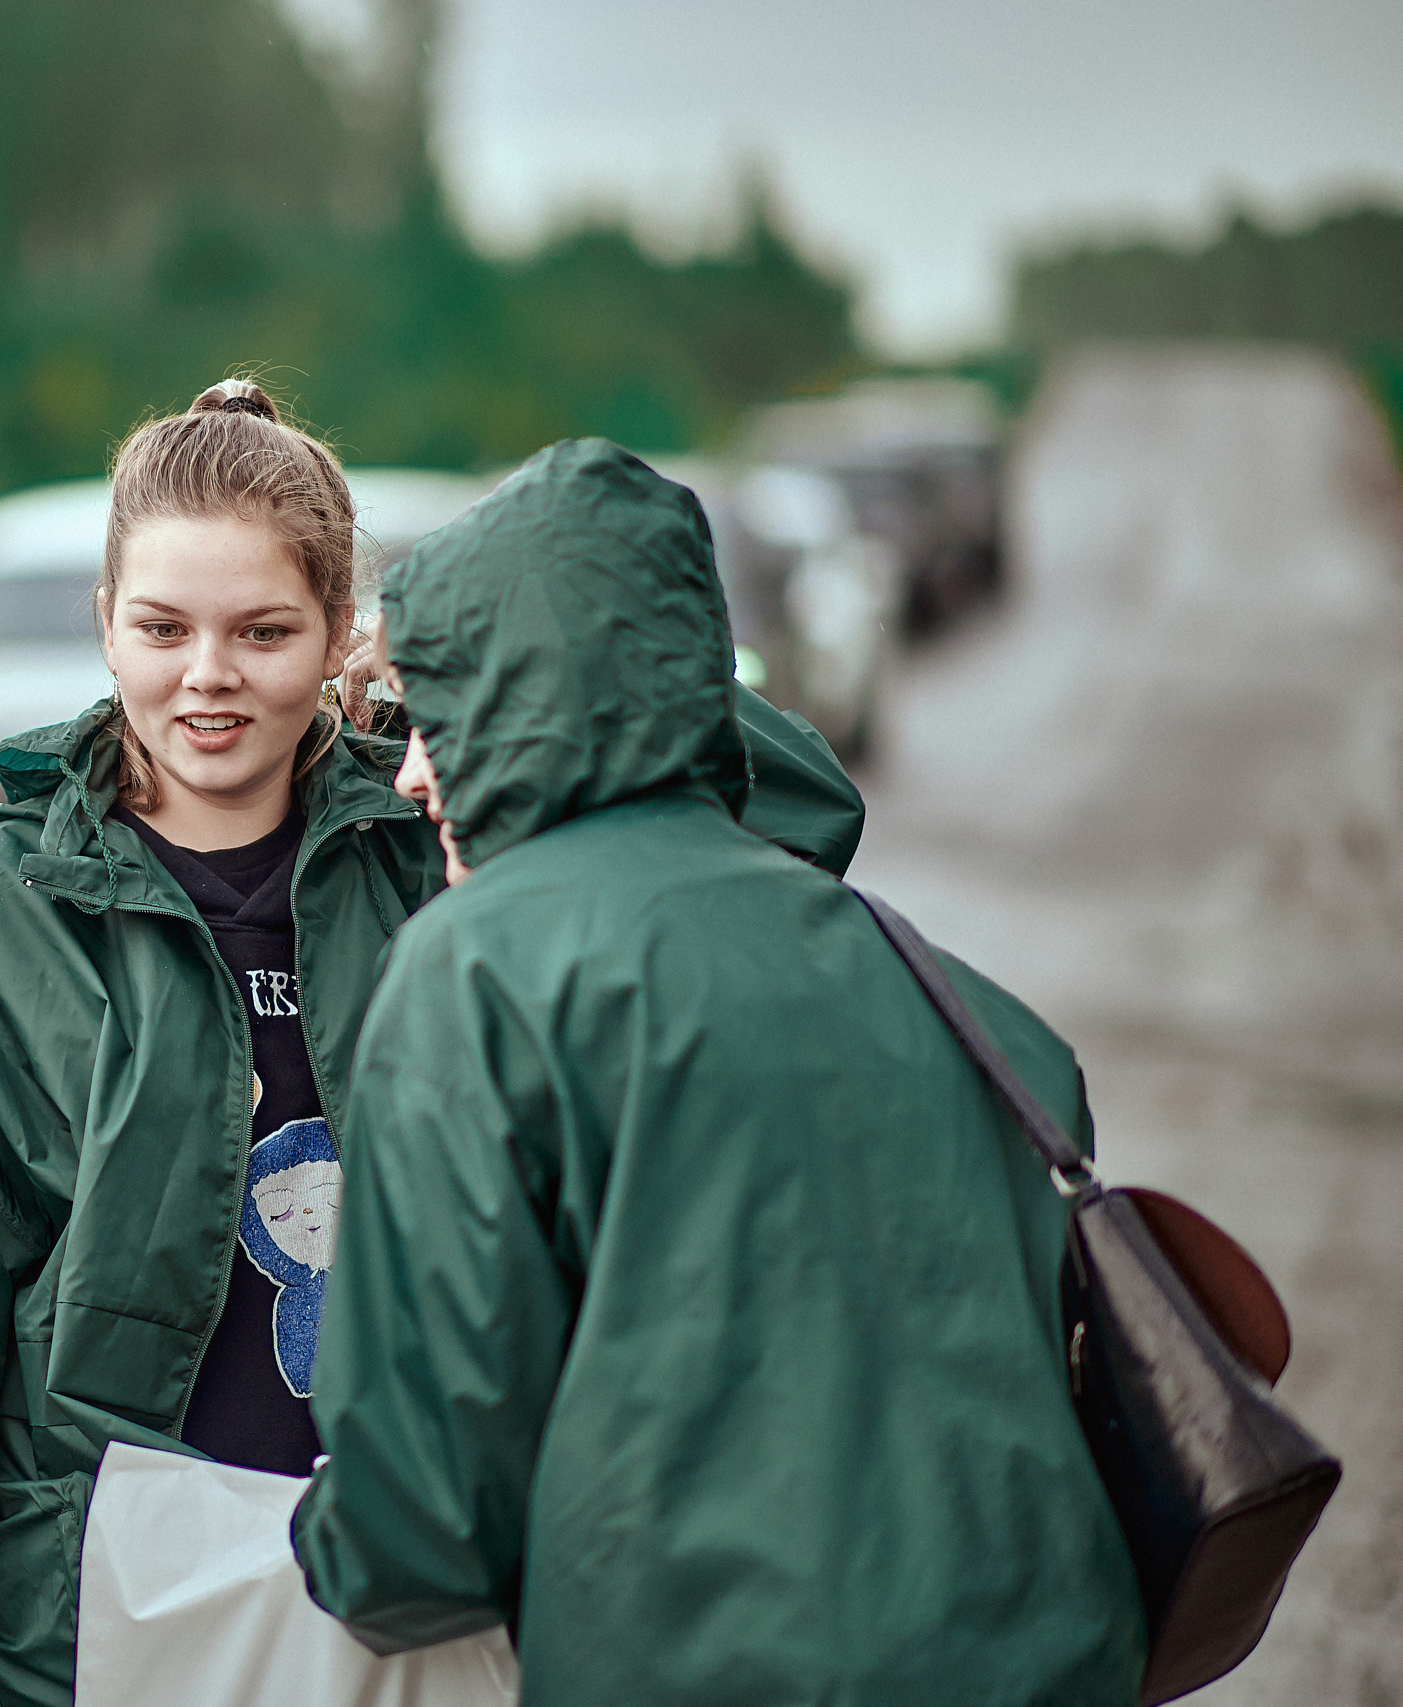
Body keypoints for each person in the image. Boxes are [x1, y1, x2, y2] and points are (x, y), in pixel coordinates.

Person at [0, 381, 874, 1707]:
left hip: (433, 1603)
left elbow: (802, 815)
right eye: (161, 626)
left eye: (265, 629)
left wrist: (461, 656)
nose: (207, 675)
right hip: (100, 1626)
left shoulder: (443, 842)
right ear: (105, 622)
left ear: (343, 631)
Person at [289, 438, 1146, 1704]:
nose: (409, 770)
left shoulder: (475, 975)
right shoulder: (970, 1011)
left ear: (527, 713)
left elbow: (415, 1532)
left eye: (437, 717)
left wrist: (311, 1546)